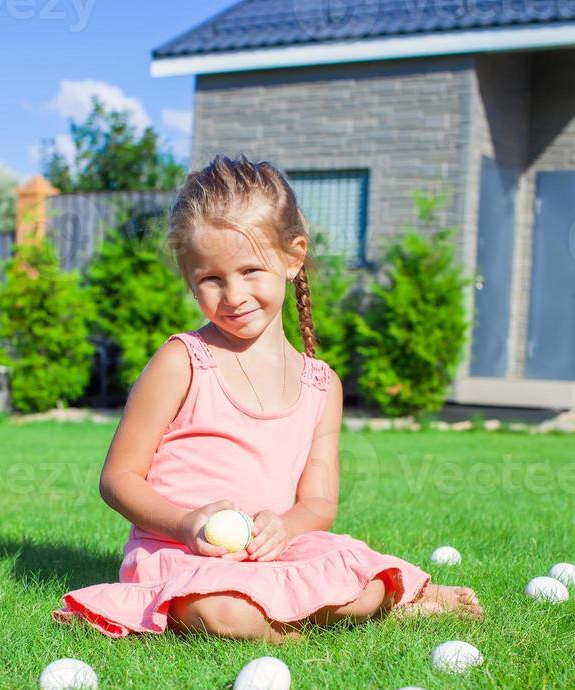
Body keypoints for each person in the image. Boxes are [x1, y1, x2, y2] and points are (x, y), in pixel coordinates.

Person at [52, 154, 483, 642]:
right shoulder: (182, 361)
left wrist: (285, 525)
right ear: (190, 278)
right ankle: (283, 630)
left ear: (292, 257)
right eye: (211, 279)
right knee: (221, 612)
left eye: (251, 270)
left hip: (272, 552)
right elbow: (118, 478)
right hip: (182, 554)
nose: (233, 295)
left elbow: (319, 502)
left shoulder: (322, 385)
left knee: (364, 584)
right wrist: (186, 522)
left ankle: (379, 603)